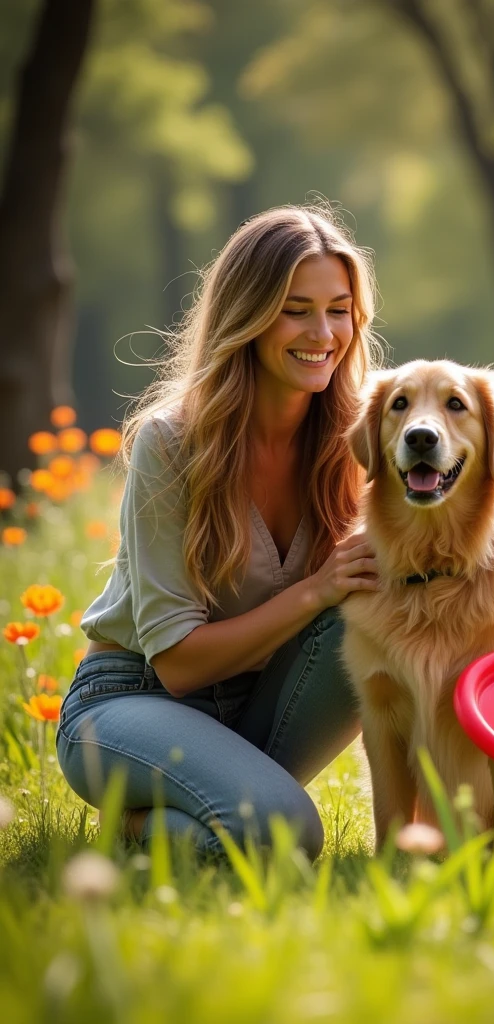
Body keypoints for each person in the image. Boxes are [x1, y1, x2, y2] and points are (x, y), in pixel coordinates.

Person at [56, 203, 384, 861]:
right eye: (296, 308)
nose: (323, 332)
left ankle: (197, 809)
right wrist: (317, 591)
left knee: (382, 611)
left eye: (339, 308)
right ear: (249, 313)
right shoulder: (172, 443)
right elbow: (177, 665)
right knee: (286, 834)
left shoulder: (361, 435)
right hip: (131, 702)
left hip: (261, 706)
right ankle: (147, 820)